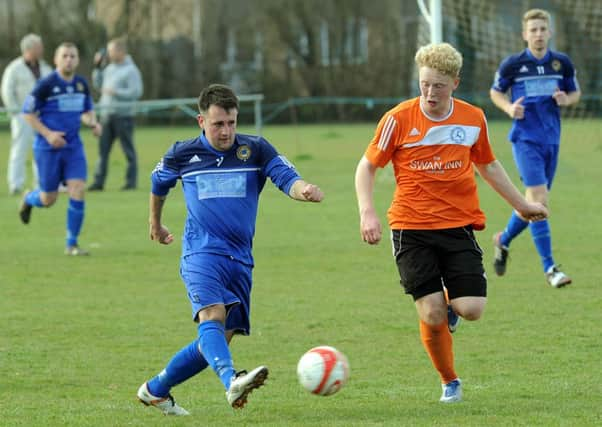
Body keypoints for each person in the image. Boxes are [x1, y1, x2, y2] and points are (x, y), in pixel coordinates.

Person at [355, 43, 548, 403]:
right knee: (430, 311)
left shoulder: (473, 118)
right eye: (424, 84)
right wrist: (368, 211)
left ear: (455, 83)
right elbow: (367, 166)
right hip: (411, 228)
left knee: (471, 310)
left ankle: (450, 304)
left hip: (458, 225)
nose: (429, 93)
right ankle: (449, 381)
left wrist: (523, 204)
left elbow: (488, 165)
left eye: (438, 86)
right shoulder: (398, 119)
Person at [136, 83, 324, 415]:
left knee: (216, 341)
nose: (226, 131)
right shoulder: (182, 154)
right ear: (201, 122)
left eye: (232, 123)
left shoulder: (256, 150)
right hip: (201, 251)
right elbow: (158, 183)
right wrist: (156, 222)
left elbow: (285, 177)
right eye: (218, 124)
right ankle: (231, 380)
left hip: (240, 258)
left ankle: (155, 389)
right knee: (212, 315)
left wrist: (303, 189)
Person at [490, 8, 581, 288]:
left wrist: (566, 100)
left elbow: (575, 93)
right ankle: (550, 268)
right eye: (533, 30)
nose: (539, 34)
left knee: (532, 205)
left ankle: (503, 240)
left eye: (543, 29)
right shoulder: (513, 65)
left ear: (550, 32)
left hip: (551, 141)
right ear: (524, 34)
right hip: (525, 140)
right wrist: (508, 107)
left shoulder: (561, 64)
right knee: (539, 201)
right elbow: (495, 92)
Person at [19, 42, 102, 256]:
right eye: (64, 56)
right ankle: (29, 198)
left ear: (77, 60)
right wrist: (49, 134)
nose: (69, 60)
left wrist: (92, 123)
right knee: (49, 199)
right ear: (56, 60)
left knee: (78, 189)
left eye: (72, 56)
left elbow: (86, 111)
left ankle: (71, 244)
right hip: (47, 148)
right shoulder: (45, 84)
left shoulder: (81, 84)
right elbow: (27, 113)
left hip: (73, 146)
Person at [88, 37, 143, 191]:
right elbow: (98, 85)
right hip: (106, 115)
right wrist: (97, 68)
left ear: (121, 51)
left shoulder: (131, 70)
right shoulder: (109, 68)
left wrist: (116, 92)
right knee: (102, 151)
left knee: (128, 151)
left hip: (123, 116)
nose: (109, 54)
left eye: (111, 51)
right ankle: (98, 182)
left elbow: (136, 92)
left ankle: (130, 183)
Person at [1, 33, 52, 195]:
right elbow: (7, 91)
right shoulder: (14, 68)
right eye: (39, 47)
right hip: (22, 116)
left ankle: (41, 183)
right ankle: (16, 184)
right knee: (19, 150)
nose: (42, 49)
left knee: (42, 149)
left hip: (42, 116)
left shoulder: (45, 67)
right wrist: (16, 112)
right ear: (30, 49)